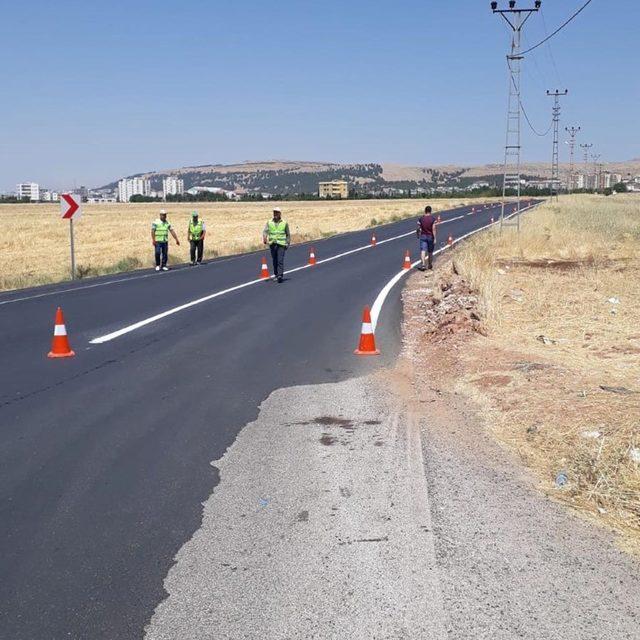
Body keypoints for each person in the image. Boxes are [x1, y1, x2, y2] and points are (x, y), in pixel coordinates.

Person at [262, 207, 290, 283]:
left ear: (280, 214)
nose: (275, 214)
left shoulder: (284, 223)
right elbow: (265, 231)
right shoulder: (269, 222)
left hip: (281, 244)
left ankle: (280, 275)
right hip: (272, 244)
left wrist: (287, 243)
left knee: (280, 260)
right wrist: (264, 237)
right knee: (275, 260)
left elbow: (288, 234)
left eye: (277, 212)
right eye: (274, 212)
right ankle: (276, 274)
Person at [416, 205, 437, 271]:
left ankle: (423, 265)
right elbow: (433, 229)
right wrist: (435, 238)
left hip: (423, 236)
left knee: (423, 250)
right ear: (430, 211)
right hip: (430, 236)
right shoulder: (433, 219)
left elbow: (418, 228)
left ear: (425, 211)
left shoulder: (421, 219)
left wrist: (417, 234)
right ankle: (430, 265)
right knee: (430, 251)